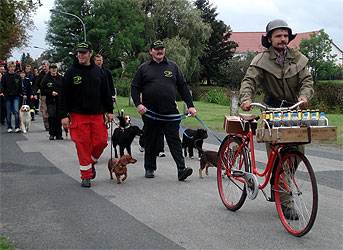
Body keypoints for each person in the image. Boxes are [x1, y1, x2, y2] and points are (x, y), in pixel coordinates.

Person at [239, 19, 314, 220]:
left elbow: (307, 80)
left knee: (297, 152)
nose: (283, 39)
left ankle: (277, 181)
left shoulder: (298, 58)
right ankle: (286, 203)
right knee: (279, 154)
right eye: (278, 35)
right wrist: (246, 99)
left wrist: (304, 96)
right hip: (271, 110)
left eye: (285, 35)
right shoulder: (261, 60)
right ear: (270, 39)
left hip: (293, 109)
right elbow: (249, 81)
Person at [131, 40, 196, 181]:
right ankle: (149, 167)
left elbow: (183, 87)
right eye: (156, 49)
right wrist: (138, 104)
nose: (159, 51)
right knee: (151, 140)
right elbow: (135, 87)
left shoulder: (173, 66)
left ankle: (181, 169)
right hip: (151, 113)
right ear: (151, 51)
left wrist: (190, 105)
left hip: (170, 112)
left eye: (162, 49)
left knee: (174, 141)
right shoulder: (144, 68)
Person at [59, 41, 114, 188]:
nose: (80, 55)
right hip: (78, 115)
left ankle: (90, 163)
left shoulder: (99, 72)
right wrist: (63, 115)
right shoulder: (71, 72)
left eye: (83, 52)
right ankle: (86, 176)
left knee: (101, 142)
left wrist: (109, 111)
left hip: (97, 114)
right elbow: (63, 95)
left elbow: (105, 93)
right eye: (79, 52)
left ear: (90, 54)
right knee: (83, 145)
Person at [0, 61, 25, 133]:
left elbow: (20, 86)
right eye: (10, 67)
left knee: (16, 111)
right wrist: (2, 92)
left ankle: (17, 127)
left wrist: (23, 93)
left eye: (13, 67)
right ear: (8, 68)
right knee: (8, 112)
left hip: (16, 96)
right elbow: (2, 85)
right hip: (7, 96)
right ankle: (9, 127)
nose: (12, 68)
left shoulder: (17, 76)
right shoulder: (5, 76)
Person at [41, 63, 63, 140]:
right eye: (52, 68)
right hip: (50, 100)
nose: (54, 70)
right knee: (51, 116)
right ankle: (52, 133)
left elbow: (64, 88)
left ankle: (59, 134)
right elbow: (43, 90)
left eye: (55, 68)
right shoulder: (46, 79)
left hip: (59, 100)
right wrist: (51, 93)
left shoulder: (60, 78)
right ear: (50, 69)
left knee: (58, 117)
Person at [34, 60, 50, 131]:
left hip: (52, 94)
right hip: (44, 94)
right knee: (44, 110)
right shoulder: (41, 75)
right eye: (43, 66)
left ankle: (53, 124)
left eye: (45, 66)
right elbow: (36, 84)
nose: (44, 67)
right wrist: (35, 93)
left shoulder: (52, 73)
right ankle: (47, 125)